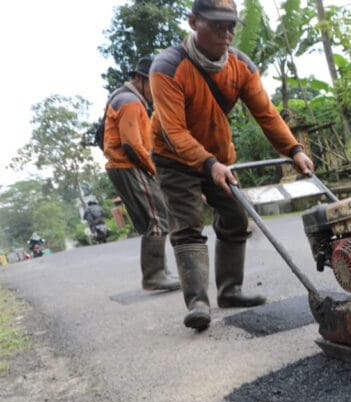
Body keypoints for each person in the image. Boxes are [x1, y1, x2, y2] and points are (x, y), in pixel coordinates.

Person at [149, 0, 314, 331]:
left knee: (236, 215)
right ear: (194, 22)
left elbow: (266, 114)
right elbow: (174, 130)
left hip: (217, 155)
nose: (226, 35)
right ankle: (197, 301)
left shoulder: (241, 66)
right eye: (217, 26)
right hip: (173, 156)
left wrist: (293, 149)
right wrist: (208, 163)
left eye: (231, 27)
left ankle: (230, 290)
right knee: (188, 222)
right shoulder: (167, 67)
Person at [102, 57, 180, 291]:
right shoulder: (130, 102)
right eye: (151, 83)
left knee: (154, 218)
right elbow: (132, 145)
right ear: (138, 79)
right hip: (129, 165)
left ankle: (159, 271)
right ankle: (154, 275)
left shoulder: (123, 98)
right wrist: (153, 169)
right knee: (157, 218)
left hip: (124, 166)